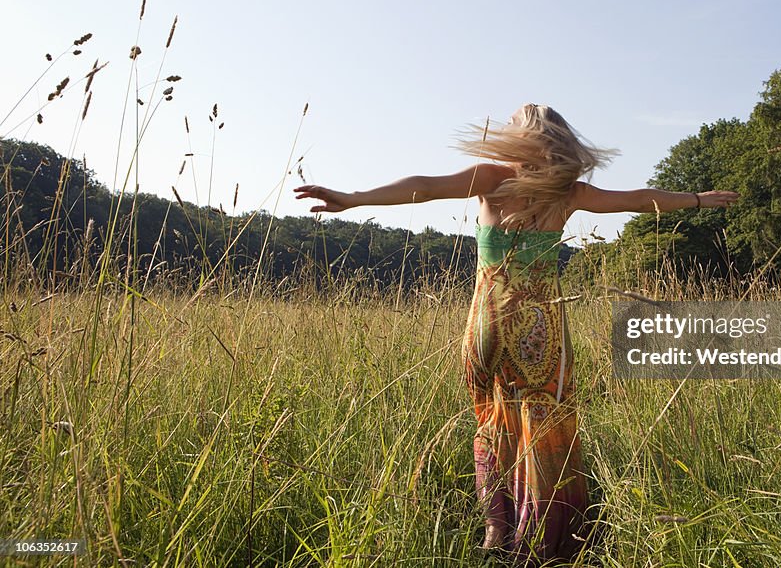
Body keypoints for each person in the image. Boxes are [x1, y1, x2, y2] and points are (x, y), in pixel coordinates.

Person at [293, 104, 739, 564]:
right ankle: (544, 538)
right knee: (545, 427)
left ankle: (495, 529)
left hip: (485, 324)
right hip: (540, 328)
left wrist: (354, 197)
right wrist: (698, 199)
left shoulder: (490, 178)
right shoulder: (568, 192)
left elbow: (423, 188)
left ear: (518, 139)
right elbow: (639, 199)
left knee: (491, 422)